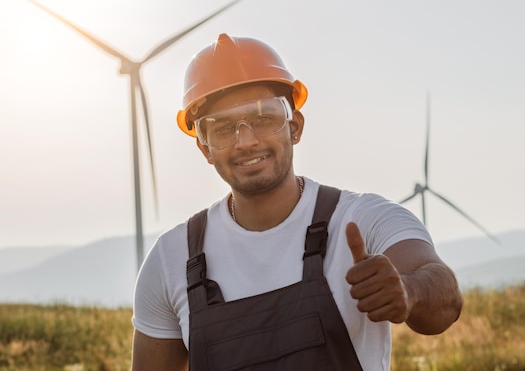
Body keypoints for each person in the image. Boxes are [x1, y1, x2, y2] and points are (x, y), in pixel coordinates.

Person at [131, 33, 463, 371]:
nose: (245, 141)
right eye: (222, 128)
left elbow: (444, 297)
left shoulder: (363, 220)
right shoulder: (171, 259)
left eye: (263, 119)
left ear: (295, 127)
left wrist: (410, 290)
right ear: (204, 148)